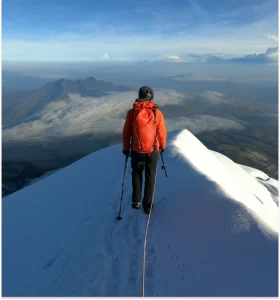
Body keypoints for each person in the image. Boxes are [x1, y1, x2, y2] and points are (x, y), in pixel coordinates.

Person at [122, 86, 167, 214]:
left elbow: (126, 133)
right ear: (151, 97)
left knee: (136, 174)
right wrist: (162, 146)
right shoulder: (157, 113)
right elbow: (161, 132)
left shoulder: (132, 112)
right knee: (150, 177)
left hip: (136, 151)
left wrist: (126, 148)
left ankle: (136, 201)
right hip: (152, 151)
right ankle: (147, 205)